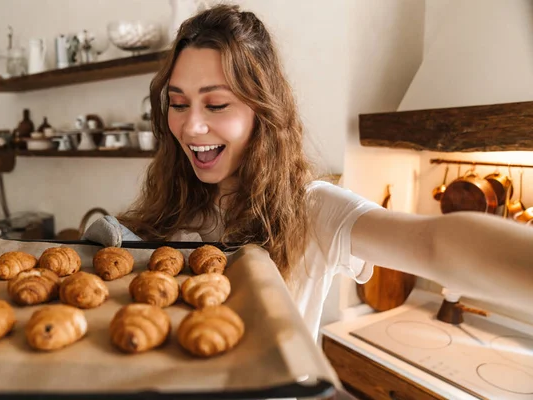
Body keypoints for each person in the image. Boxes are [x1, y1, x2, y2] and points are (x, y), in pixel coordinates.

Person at [84, 4, 533, 341]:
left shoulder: (313, 209)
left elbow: (435, 244)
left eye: (217, 104)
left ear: (263, 110)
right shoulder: (175, 198)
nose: (190, 126)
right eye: (178, 104)